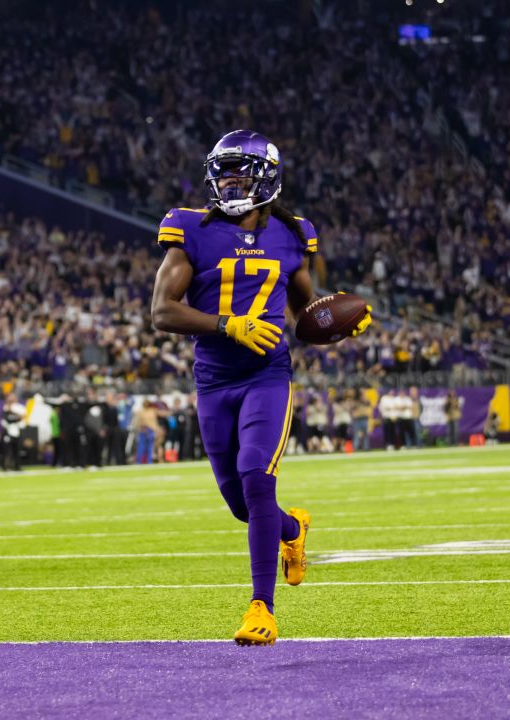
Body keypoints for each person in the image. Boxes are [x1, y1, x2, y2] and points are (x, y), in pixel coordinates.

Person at [150, 130, 371, 645]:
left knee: (256, 476)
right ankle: (291, 531)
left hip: (266, 376)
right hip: (214, 380)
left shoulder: (292, 236)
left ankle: (261, 609)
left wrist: (331, 326)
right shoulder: (191, 230)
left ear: (267, 178)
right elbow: (162, 312)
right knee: (240, 504)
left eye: (240, 171)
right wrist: (228, 324)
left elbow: (304, 315)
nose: (229, 180)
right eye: (223, 170)